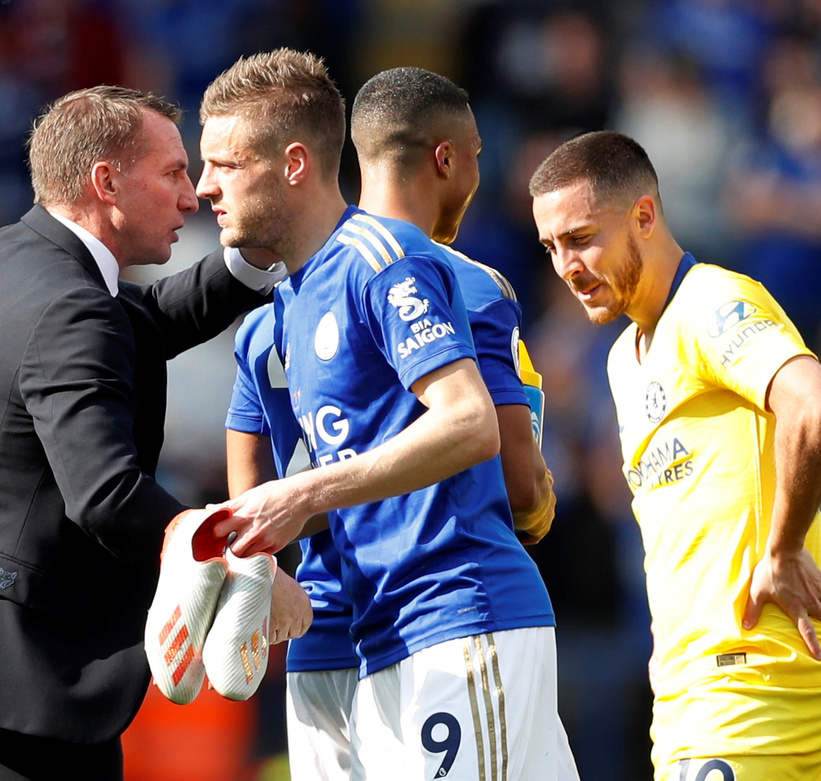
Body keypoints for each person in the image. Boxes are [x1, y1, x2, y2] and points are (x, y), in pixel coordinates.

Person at [0, 85, 294, 780]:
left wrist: (254, 256)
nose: (192, 196)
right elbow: (105, 493)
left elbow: (138, 321)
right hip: (18, 683)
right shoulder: (74, 307)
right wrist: (240, 562)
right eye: (172, 172)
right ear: (106, 183)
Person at [198, 49, 566, 781]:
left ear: (294, 163)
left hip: (456, 613)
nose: (206, 185)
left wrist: (297, 497)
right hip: (375, 632)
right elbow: (273, 492)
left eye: (225, 164)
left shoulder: (385, 258)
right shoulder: (281, 310)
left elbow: (470, 424)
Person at [528, 130, 821, 781]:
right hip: (687, 697)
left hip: (750, 679)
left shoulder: (711, 302)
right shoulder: (623, 359)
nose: (566, 265)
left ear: (644, 216)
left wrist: (784, 548)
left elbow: (818, 407)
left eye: (581, 238)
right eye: (551, 247)